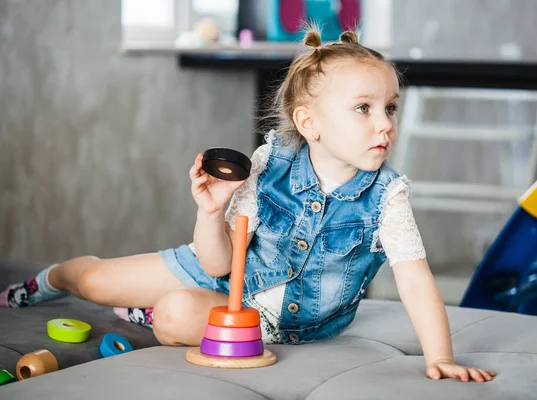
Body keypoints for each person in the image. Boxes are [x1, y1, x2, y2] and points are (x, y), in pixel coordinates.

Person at [1, 28, 495, 382]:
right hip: (222, 267)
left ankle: (146, 314)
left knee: (175, 315)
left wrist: (441, 356)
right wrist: (210, 211)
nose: (385, 124)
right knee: (95, 281)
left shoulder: (389, 195)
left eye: (390, 107)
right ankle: (45, 281)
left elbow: (415, 278)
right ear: (309, 122)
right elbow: (218, 262)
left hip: (276, 319)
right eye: (364, 108)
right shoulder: (269, 163)